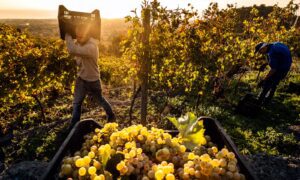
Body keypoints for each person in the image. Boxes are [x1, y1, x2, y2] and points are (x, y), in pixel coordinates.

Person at [65, 24, 116, 129]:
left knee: (100, 100)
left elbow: (72, 50)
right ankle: (74, 126)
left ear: (87, 34)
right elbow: (77, 58)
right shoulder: (80, 44)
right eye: (77, 36)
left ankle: (111, 116)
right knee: (77, 103)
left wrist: (67, 35)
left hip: (93, 80)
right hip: (82, 79)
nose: (79, 38)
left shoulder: (91, 47)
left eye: (81, 36)